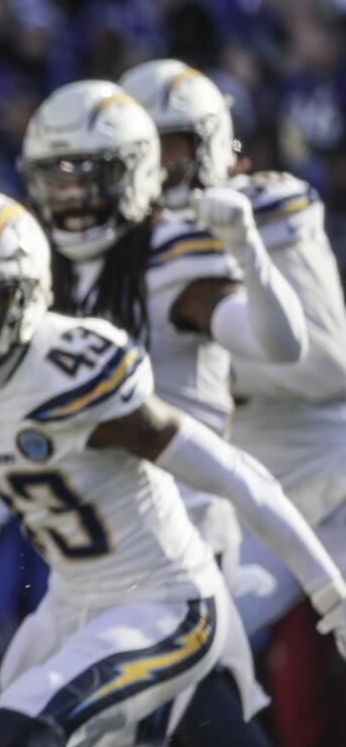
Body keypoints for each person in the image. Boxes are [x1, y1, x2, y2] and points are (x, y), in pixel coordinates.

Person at [0, 190, 346, 747]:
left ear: (26, 297)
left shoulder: (75, 373)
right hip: (70, 606)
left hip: (167, 600)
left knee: (18, 739)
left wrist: (329, 593)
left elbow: (234, 474)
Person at [17, 79, 309, 747]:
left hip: (181, 539)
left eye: (91, 176)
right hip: (89, 547)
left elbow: (279, 345)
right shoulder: (45, 268)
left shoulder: (172, 254)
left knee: (187, 727)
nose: (74, 195)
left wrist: (248, 251)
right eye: (57, 178)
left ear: (138, 173)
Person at [120, 59, 346, 638]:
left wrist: (198, 359)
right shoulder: (119, 243)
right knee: (184, 651)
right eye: (141, 148)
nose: (158, 166)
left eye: (170, 146)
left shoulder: (266, 209)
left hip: (329, 481)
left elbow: (326, 364)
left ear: (209, 144)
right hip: (243, 499)